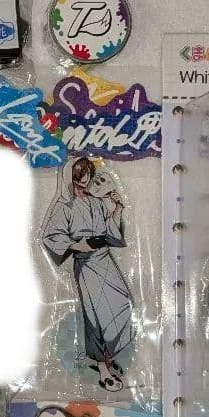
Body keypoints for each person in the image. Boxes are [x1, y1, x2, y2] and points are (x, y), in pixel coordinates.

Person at [41, 157, 134, 391]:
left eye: (88, 174)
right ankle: (103, 370)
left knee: (123, 305)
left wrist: (117, 209)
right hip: (86, 264)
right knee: (95, 315)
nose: (85, 179)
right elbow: (51, 236)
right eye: (81, 175)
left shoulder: (96, 201)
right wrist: (76, 245)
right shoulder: (64, 206)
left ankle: (108, 356)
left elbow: (111, 233)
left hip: (105, 259)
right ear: (71, 177)